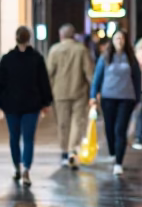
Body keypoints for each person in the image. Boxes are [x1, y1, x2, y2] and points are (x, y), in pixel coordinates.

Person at [0, 25, 52, 185]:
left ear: (16, 38)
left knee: (14, 138)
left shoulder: (7, 59)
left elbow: (1, 83)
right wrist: (46, 102)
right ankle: (26, 170)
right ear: (29, 39)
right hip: (32, 105)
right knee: (28, 138)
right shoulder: (37, 58)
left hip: (11, 105)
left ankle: (17, 167)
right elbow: (43, 82)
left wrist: (2, 103)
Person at [90, 29, 142, 175]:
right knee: (109, 128)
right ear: (112, 41)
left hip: (126, 98)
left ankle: (118, 162)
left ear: (125, 41)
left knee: (120, 129)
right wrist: (93, 95)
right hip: (108, 97)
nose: (119, 41)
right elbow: (97, 78)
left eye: (121, 39)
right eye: (116, 38)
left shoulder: (131, 58)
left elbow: (137, 78)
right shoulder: (105, 57)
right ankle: (113, 153)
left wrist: (138, 97)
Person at [46, 23, 93, 168]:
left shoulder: (54, 50)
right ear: (74, 35)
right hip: (79, 92)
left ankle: (64, 152)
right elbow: (89, 73)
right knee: (77, 122)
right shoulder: (82, 50)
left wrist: (45, 94)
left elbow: (48, 73)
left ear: (61, 35)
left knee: (63, 124)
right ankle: (73, 150)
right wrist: (95, 92)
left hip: (59, 93)